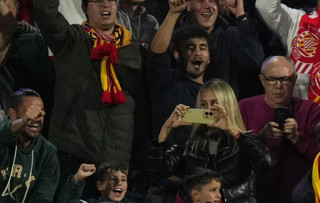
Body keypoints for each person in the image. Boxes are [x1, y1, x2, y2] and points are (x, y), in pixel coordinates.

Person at [34, 0, 145, 175]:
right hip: (72, 152)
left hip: (116, 162)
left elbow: (141, 106)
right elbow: (44, 12)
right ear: (85, 8)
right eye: (98, 1)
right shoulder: (70, 40)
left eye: (111, 1)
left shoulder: (133, 49)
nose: (106, 5)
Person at [239, 56, 320, 203]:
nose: (279, 86)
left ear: (295, 79)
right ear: (261, 80)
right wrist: (260, 139)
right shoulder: (245, 108)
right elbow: (233, 156)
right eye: (272, 80)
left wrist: (299, 138)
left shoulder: (310, 111)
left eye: (285, 80)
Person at [149, 3, 211, 145]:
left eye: (202, 48)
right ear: (177, 55)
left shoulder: (215, 93)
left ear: (209, 58)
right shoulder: (167, 83)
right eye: (190, 48)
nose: (197, 52)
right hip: (167, 162)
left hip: (204, 164)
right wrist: (173, 13)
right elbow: (157, 54)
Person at [0, 1, 54, 107]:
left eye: (7, 6)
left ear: (17, 7)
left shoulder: (34, 37)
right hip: (14, 115)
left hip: (43, 107)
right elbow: (9, 25)